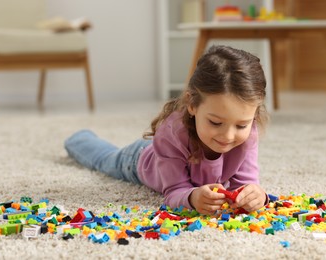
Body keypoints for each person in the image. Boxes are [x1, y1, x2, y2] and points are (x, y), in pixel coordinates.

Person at [65, 45, 269, 215]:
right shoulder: (172, 133)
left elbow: (246, 184)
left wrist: (256, 195)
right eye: (215, 123)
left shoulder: (248, 133)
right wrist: (192, 197)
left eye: (241, 125)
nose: (228, 136)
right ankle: (79, 139)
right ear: (192, 105)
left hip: (162, 153)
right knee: (104, 160)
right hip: (139, 160)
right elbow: (173, 191)